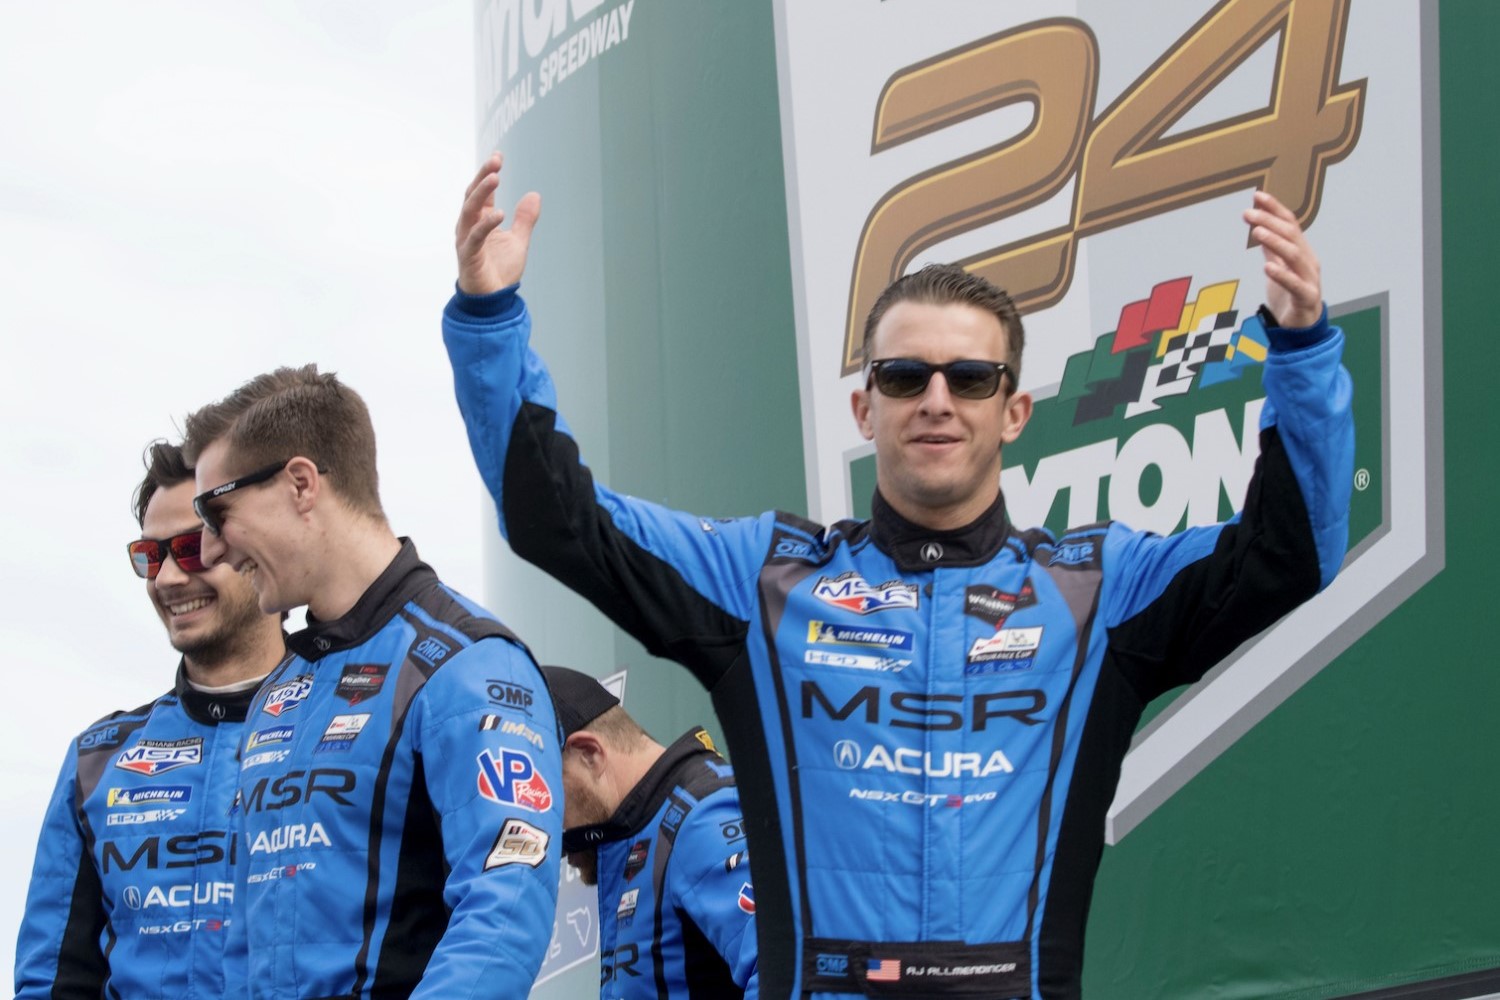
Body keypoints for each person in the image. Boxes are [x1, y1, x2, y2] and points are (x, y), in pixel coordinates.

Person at [442, 154, 1353, 999]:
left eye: (970, 377)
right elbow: (560, 520)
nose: (937, 400)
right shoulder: (764, 580)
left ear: (1015, 410)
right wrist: (491, 322)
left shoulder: (1098, 589)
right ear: (864, 404)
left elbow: (1290, 554)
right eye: (906, 374)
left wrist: (1303, 352)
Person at [180, 364, 562, 998]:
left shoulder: (466, 664)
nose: (212, 550)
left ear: (301, 484)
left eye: (218, 513)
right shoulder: (282, 689)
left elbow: (504, 907)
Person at [15, 442, 286, 998]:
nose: (166, 578)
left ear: (258, 549)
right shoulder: (97, 760)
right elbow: (53, 980)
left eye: (190, 548)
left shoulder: (366, 722)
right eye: (150, 554)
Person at [541, 665, 759, 998]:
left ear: (588, 754)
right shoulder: (643, 837)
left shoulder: (699, 820)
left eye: (546, 800)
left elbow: (791, 973)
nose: (548, 832)